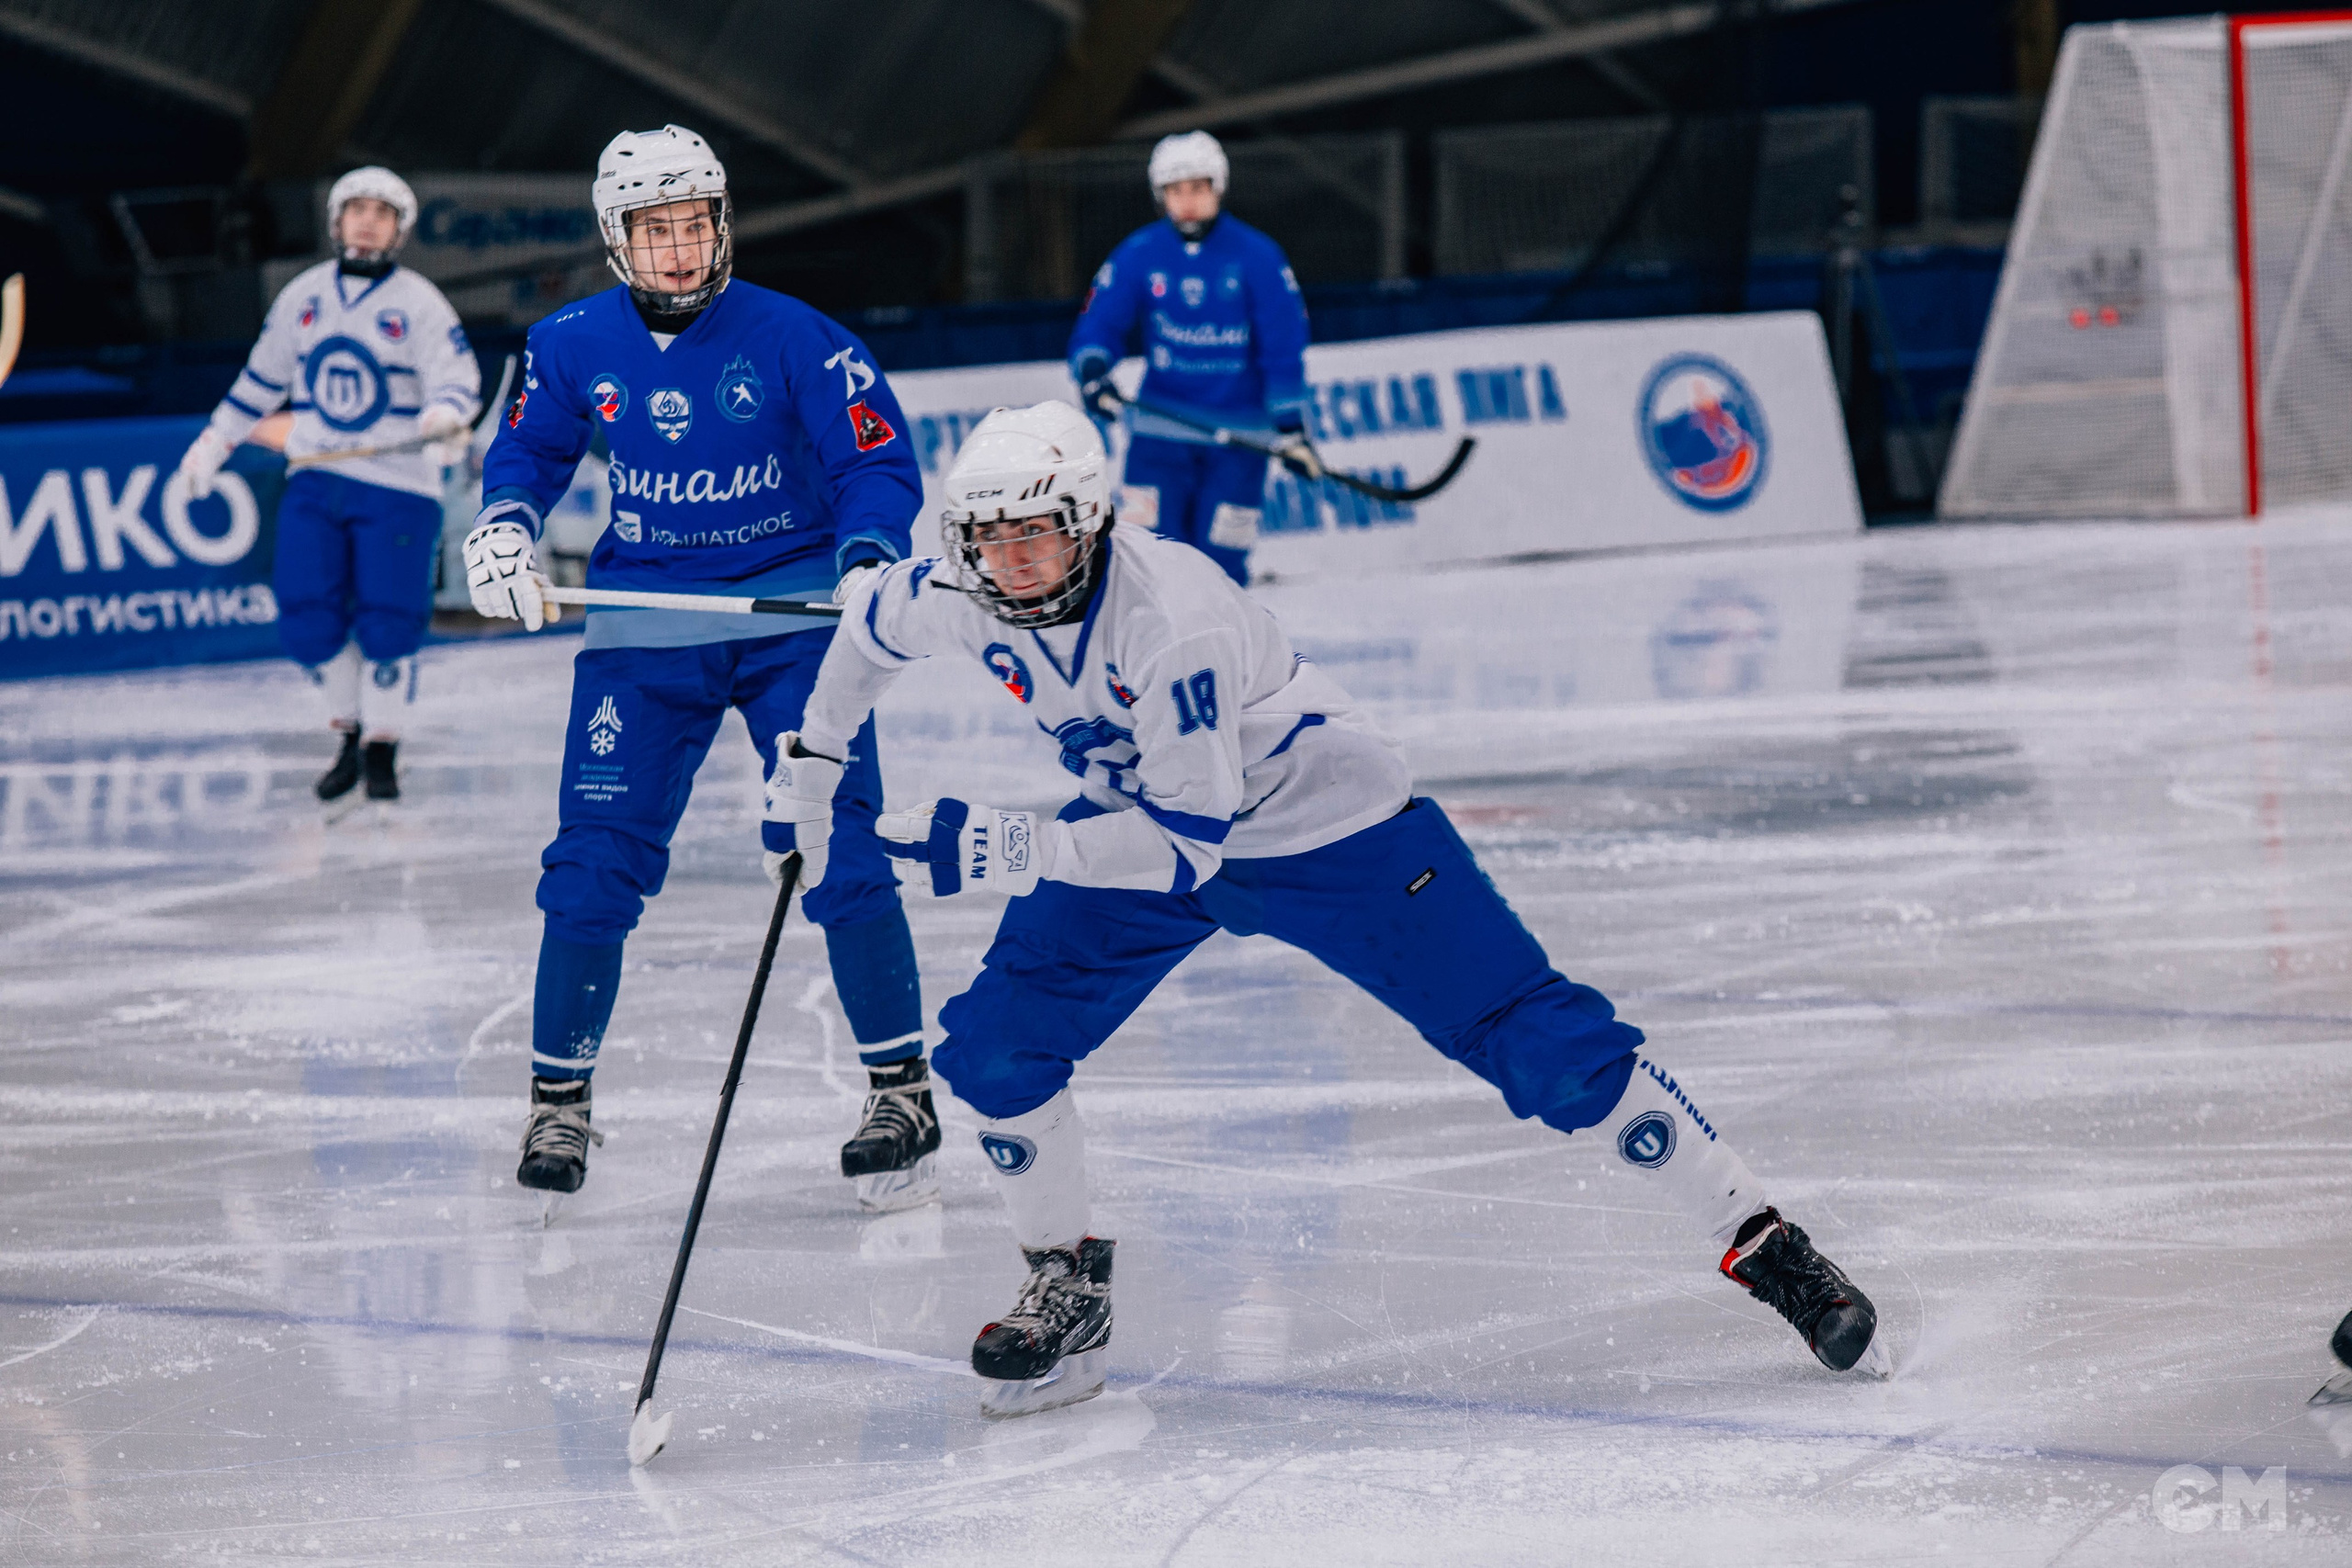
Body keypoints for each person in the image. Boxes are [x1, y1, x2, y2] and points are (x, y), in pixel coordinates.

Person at [775, 401, 1890, 1416]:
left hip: (1326, 832)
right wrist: (815, 760)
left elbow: (1182, 845)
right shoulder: (964, 589)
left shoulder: (1174, 625)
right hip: (1144, 821)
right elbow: (867, 632)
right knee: (993, 1053)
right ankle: (1065, 1284)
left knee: (1544, 1051)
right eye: (990, 540)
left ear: (1093, 523)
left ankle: (1765, 1241)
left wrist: (1006, 843)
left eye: (1039, 535)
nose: (1013, 564)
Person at [466, 125, 935, 1213]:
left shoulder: (799, 337)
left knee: (837, 843)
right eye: (654, 231)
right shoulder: (569, 341)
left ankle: (901, 1090)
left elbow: (873, 462)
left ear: (721, 225)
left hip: (796, 618)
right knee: (592, 862)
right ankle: (559, 1100)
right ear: (615, 238)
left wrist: (868, 558)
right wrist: (503, 525)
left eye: (694, 226)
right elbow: (527, 451)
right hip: (646, 621)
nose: (678, 252)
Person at [174, 167, 480, 806]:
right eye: (356, 208)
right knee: (306, 616)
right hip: (316, 476)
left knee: (390, 621)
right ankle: (349, 730)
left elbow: (455, 377)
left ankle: (382, 745)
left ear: (400, 229)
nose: (367, 220)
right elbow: (261, 382)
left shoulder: (421, 302)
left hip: (399, 485)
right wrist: (214, 442)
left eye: (382, 211)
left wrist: (444, 416)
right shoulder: (303, 296)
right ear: (336, 221)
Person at [1067, 130, 1311, 587]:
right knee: (1145, 558)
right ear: (1161, 196)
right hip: (1160, 433)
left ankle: (1221, 656)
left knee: (1222, 564)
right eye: (1176, 192)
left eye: (1198, 189)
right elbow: (1100, 322)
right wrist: (1094, 372)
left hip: (1242, 439)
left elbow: (1284, 345)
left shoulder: (1258, 256)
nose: (1188, 202)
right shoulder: (1140, 253)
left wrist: (1292, 428)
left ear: (1217, 188)